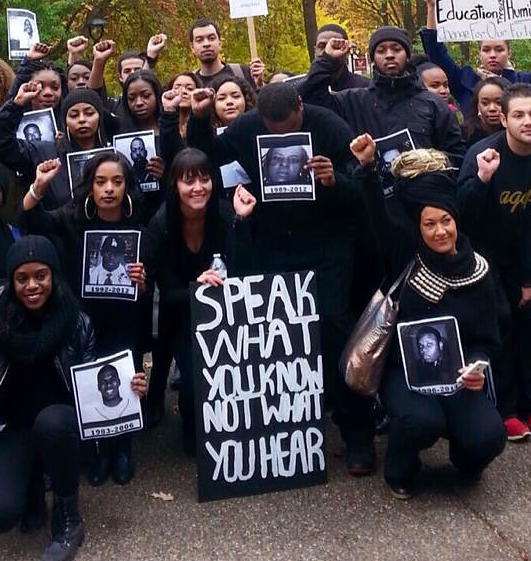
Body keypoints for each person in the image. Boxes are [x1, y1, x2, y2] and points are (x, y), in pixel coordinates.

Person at [187, 83, 376, 473]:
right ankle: (285, 429)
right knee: (278, 334)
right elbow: (205, 158)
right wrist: (201, 118)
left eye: (288, 130)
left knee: (331, 327)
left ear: (301, 107)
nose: (280, 139)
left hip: (326, 242)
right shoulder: (245, 126)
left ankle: (357, 433)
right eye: (272, 133)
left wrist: (332, 182)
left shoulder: (330, 126)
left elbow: (360, 191)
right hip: (272, 242)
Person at [0, 238, 146, 561]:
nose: (32, 286)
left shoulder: (77, 323)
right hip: (20, 431)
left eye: (41, 275)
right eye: (22, 278)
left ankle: (68, 516)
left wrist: (131, 389)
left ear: (53, 276)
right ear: (12, 282)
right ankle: (31, 488)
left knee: (52, 421)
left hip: (63, 428)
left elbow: (92, 388)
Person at [348, 138, 505, 499]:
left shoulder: (479, 270)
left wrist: (477, 367)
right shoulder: (405, 256)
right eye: (429, 223)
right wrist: (368, 168)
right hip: (403, 373)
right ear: (417, 227)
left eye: (446, 221)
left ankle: (466, 462)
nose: (439, 231)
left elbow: (487, 338)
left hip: (457, 375)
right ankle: (400, 469)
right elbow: (378, 214)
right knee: (422, 421)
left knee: (489, 436)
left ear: (456, 219)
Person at [19, 154, 151, 485]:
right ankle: (98, 450)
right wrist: (38, 187)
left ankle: (122, 449)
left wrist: (143, 282)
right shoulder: (72, 218)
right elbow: (28, 220)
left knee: (124, 382)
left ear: (127, 187)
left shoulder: (139, 226)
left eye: (117, 182)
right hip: (83, 320)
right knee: (91, 382)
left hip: (125, 319)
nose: (109, 189)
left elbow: (149, 286)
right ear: (89, 186)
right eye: (101, 181)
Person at [458, 83, 531, 441]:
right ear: (503, 118)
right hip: (484, 257)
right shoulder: (483, 152)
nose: (527, 121)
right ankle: (505, 408)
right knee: (500, 320)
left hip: (524, 256)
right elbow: (464, 216)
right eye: (518, 115)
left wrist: (528, 276)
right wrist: (483, 179)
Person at [147, 149, 255, 445]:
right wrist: (198, 287)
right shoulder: (161, 225)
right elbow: (166, 293)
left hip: (226, 311)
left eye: (204, 179)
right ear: (175, 186)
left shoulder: (223, 212)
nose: (198, 188)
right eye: (188, 181)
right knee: (195, 387)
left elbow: (244, 269)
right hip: (181, 313)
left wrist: (241, 221)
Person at [299, 28, 465, 169]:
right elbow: (310, 100)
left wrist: (430, 162)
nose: (389, 55)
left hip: (423, 199)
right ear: (373, 58)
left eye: (396, 49)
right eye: (381, 50)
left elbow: (457, 155)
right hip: (370, 199)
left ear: (407, 55)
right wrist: (328, 61)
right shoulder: (353, 101)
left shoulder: (432, 104)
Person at [419, 0, 531, 114]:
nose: (492, 55)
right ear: (479, 53)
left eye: (499, 49)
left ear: (509, 52)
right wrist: (431, 8)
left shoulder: (525, 83)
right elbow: (436, 52)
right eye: (486, 50)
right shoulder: (464, 81)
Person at [85, 34, 167, 112]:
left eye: (138, 69)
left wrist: (151, 56)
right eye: (127, 71)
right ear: (120, 76)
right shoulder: (113, 107)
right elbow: (93, 96)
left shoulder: (161, 105)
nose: (132, 74)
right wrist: (99, 61)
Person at [186, 19, 264, 90]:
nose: (206, 44)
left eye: (211, 38)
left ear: (220, 43)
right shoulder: (190, 83)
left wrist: (259, 85)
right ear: (192, 47)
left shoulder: (244, 73)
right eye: (199, 40)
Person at [311, 24, 369, 91]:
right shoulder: (305, 89)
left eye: (335, 47)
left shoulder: (365, 89)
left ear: (346, 51)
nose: (328, 51)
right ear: (315, 50)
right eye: (322, 46)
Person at [463, 77, 511, 146]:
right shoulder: (465, 135)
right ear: (477, 105)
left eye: (498, 102)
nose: (492, 108)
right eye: (485, 103)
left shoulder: (517, 134)